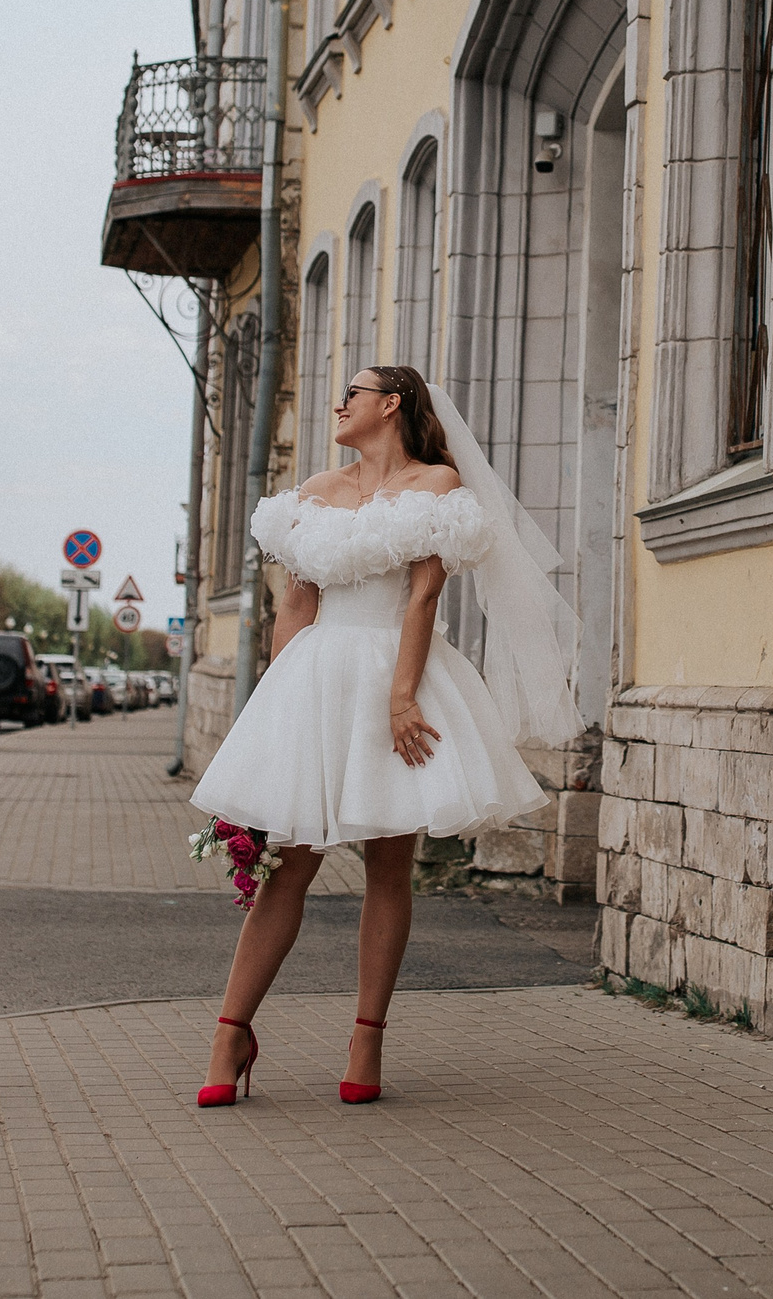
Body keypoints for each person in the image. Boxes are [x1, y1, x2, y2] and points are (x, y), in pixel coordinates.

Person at [189, 365, 575, 1107]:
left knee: (389, 866)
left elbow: (425, 593)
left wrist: (402, 697)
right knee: (288, 866)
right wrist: (274, 710)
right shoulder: (312, 494)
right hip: (316, 679)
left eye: (352, 394)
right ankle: (230, 1032)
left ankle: (366, 1039)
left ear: (390, 404)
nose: (338, 404)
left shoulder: (436, 485)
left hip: (400, 674)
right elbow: (297, 604)